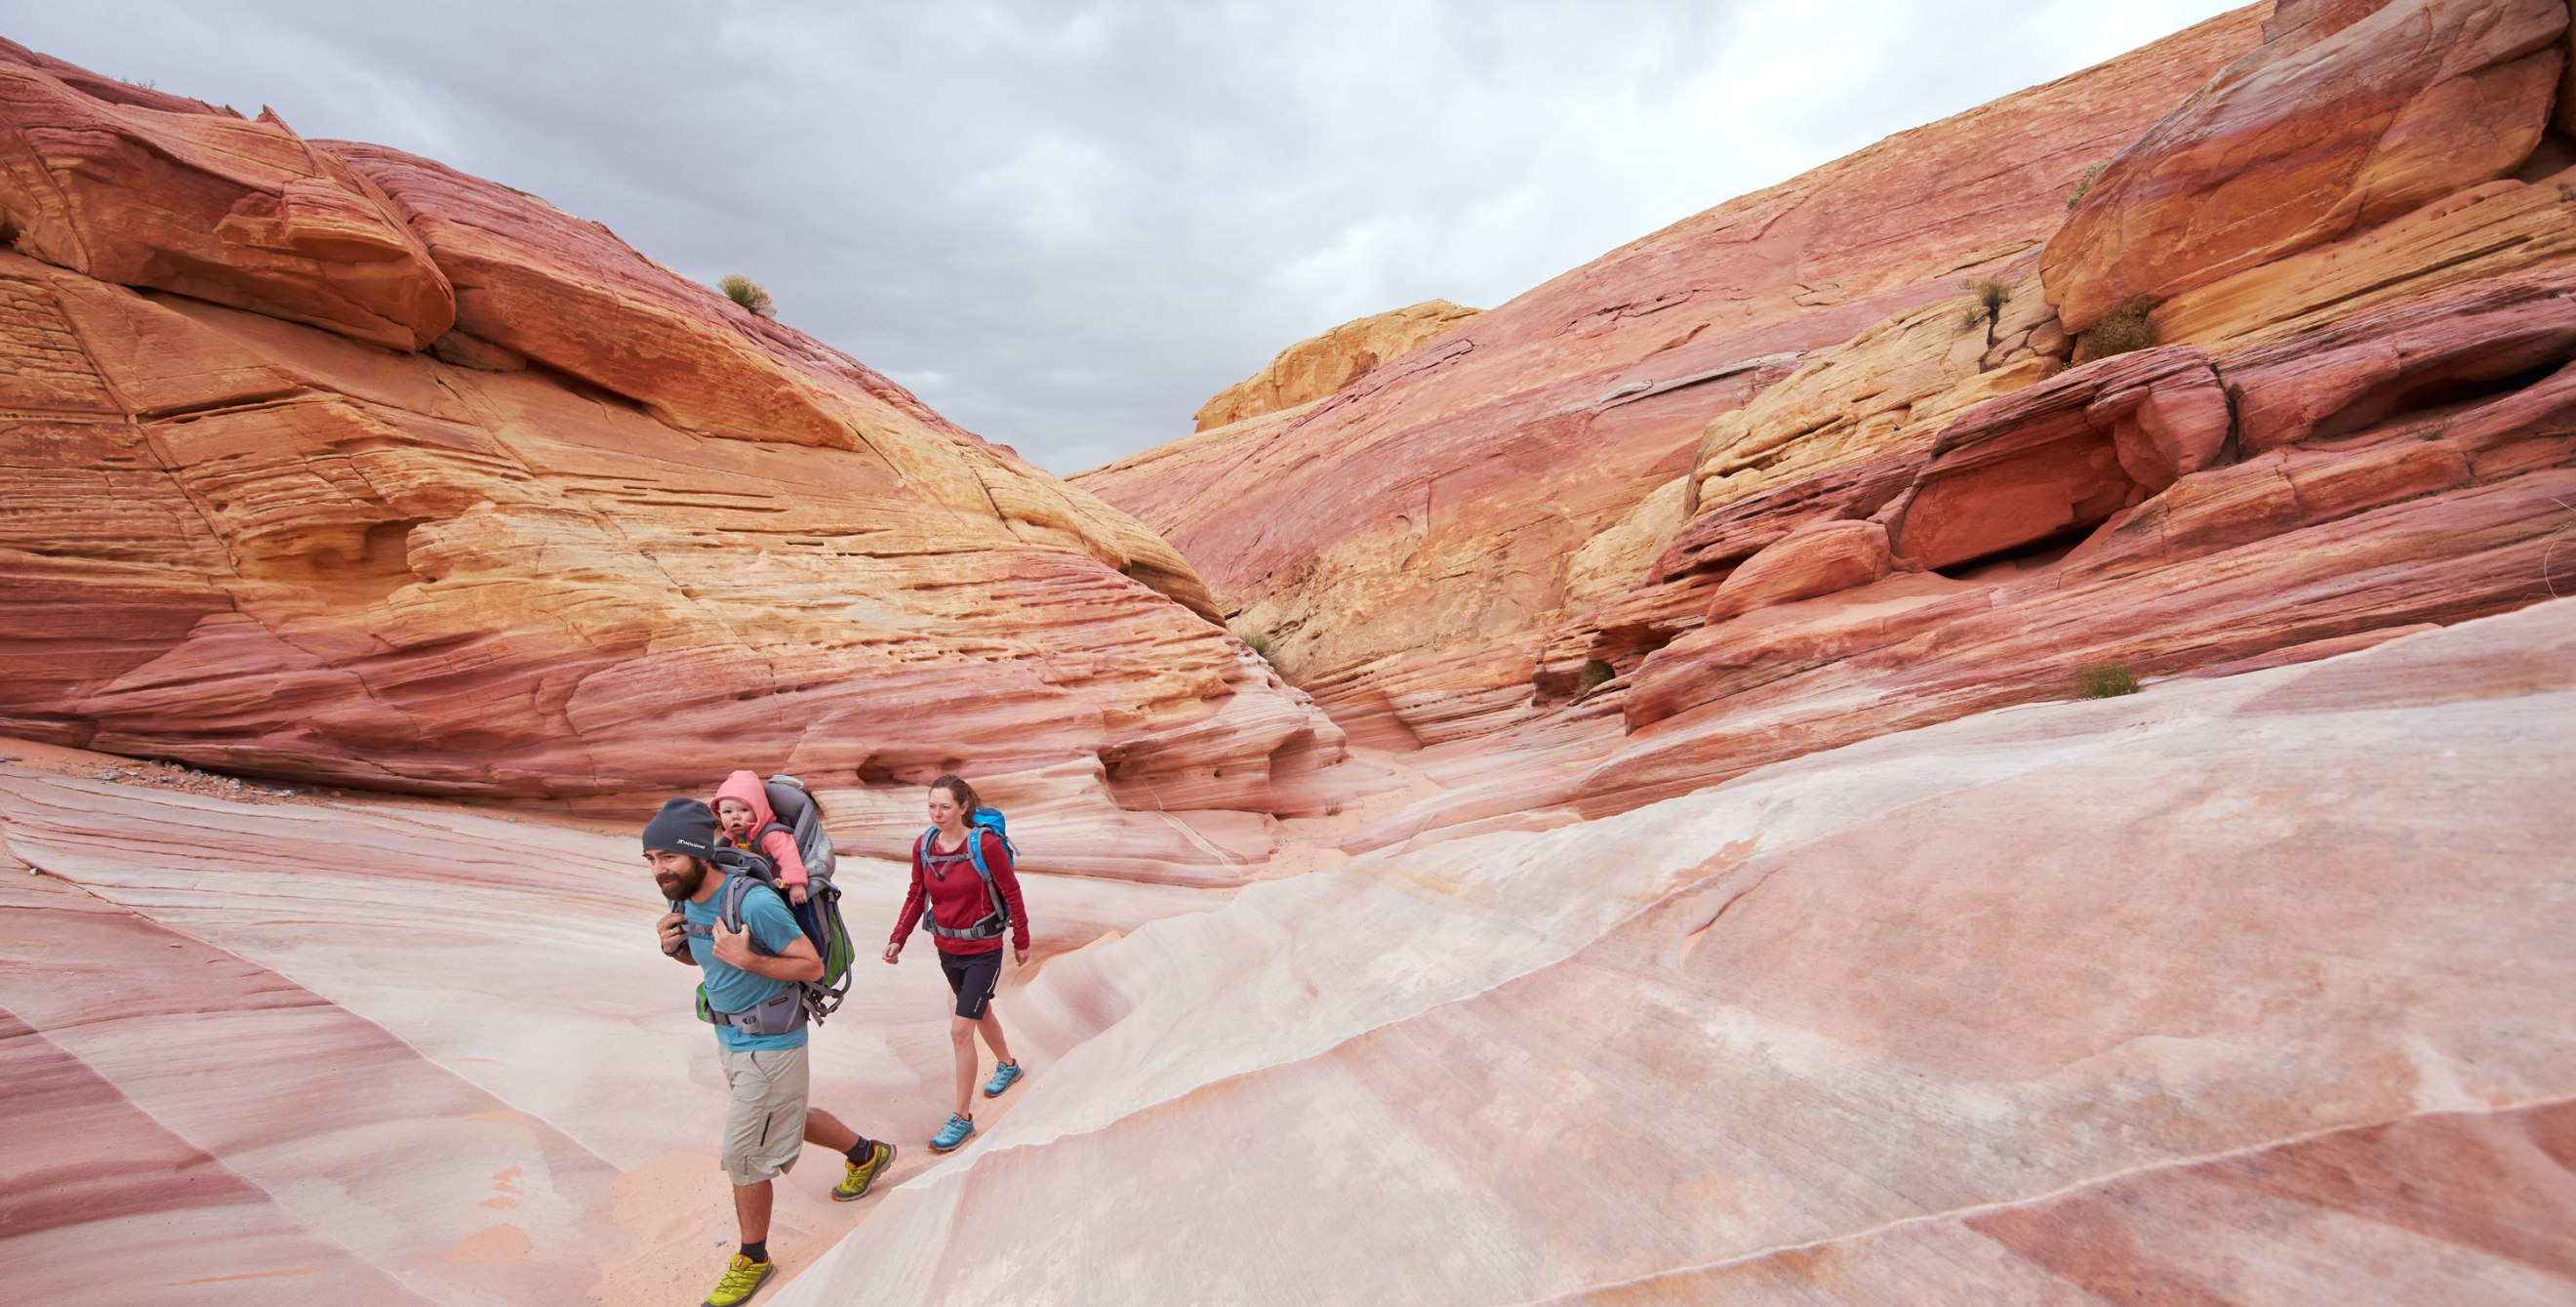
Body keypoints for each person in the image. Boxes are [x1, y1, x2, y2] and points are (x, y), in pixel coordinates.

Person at [644, 797, 894, 1307]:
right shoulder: (686, 900)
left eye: (667, 857)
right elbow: (713, 961)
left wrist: (751, 957)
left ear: (697, 852)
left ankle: (753, 1258)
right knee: (787, 1115)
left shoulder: (753, 901)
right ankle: (867, 1154)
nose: (658, 870)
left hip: (772, 1043)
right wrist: (678, 950)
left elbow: (808, 965)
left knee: (743, 1154)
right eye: (650, 859)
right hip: (730, 1040)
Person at [882, 774, 1030, 1154]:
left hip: (984, 949)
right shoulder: (925, 845)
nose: (937, 813)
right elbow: (917, 893)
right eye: (932, 806)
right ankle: (1008, 1064)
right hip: (947, 948)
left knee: (960, 1030)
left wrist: (1021, 939)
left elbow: (1011, 890)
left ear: (964, 807)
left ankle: (961, 1119)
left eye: (945, 806)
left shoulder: (986, 845)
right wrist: (899, 936)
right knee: (979, 1013)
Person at [711, 770, 810, 907]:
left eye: (744, 810)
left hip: (776, 889)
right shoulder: (733, 836)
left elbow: (789, 857)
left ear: (758, 810)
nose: (735, 816)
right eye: (728, 812)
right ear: (719, 814)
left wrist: (796, 884)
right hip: (748, 886)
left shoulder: (770, 835)